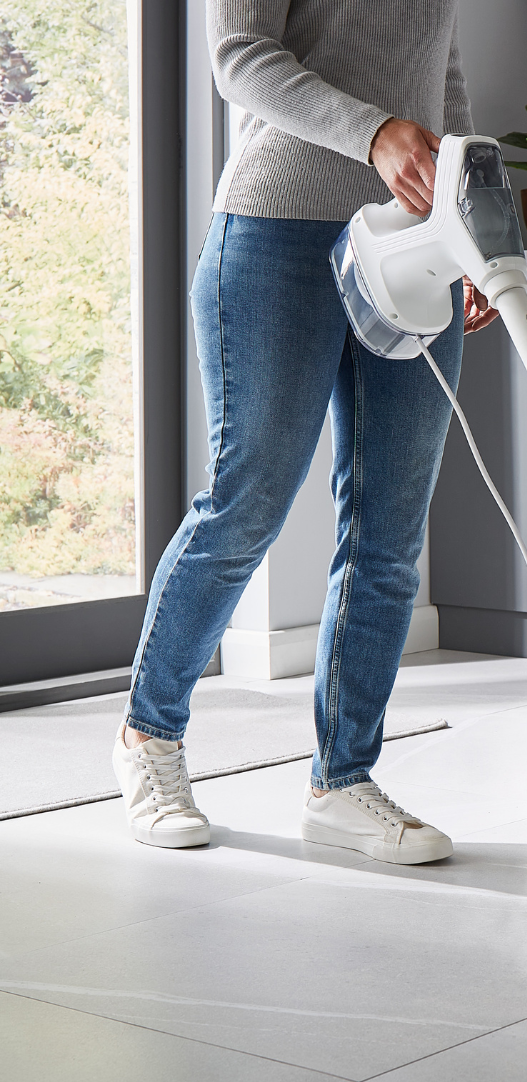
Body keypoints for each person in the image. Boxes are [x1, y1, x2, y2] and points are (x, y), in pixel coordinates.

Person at [111, 0, 495, 864]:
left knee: (390, 535)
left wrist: (466, 223)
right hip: (277, 233)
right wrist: (376, 134)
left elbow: (446, 84)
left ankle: (342, 781)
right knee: (245, 505)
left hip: (409, 246)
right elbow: (241, 57)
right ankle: (148, 738)